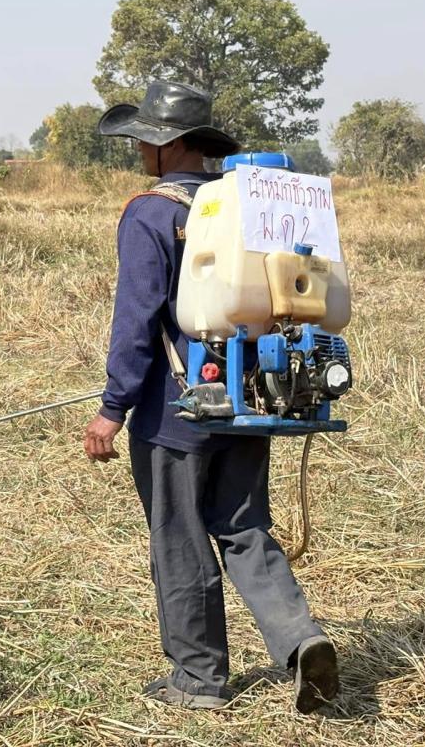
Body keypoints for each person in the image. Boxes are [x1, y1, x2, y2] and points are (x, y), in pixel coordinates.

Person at [83, 80, 338, 713]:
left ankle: (197, 680)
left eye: (144, 139)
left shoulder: (152, 212)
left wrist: (113, 408)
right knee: (246, 527)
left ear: (167, 146)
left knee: (180, 539)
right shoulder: (247, 209)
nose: (140, 150)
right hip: (261, 398)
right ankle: (301, 639)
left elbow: (137, 318)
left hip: (179, 411)